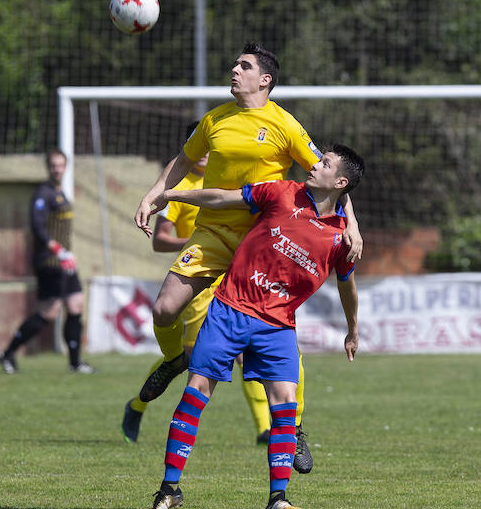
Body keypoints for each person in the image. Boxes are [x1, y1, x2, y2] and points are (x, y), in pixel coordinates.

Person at [130, 42, 363, 468]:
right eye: (235, 64)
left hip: (263, 241)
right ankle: (173, 359)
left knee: (278, 331)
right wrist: (153, 195)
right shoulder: (215, 119)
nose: (233, 70)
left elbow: (333, 181)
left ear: (265, 80)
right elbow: (183, 160)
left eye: (244, 66)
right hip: (213, 232)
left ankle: (293, 428)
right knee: (164, 310)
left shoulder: (285, 126)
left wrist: (354, 226)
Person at [140, 143, 363, 509]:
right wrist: (171, 193)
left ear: (340, 181)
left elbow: (347, 285)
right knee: (196, 393)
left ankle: (278, 499)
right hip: (229, 309)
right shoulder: (282, 191)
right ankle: (168, 490)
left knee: (285, 408)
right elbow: (223, 197)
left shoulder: (342, 238)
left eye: (324, 163)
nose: (314, 164)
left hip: (278, 326)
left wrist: (353, 330)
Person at [121, 141, 275, 448]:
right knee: (189, 358)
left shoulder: (232, 183)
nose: (206, 152)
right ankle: (137, 404)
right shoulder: (184, 189)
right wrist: (204, 240)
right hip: (200, 277)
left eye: (210, 147)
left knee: (245, 353)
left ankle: (264, 429)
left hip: (234, 278)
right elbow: (160, 240)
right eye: (199, 147)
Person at [0, 149, 94, 374]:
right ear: (47, 167)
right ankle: (8, 353)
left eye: (60, 165)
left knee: (76, 304)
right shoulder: (43, 194)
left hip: (65, 261)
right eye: (53, 165)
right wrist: (58, 250)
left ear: (66, 167)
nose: (57, 169)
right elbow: (38, 227)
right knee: (49, 312)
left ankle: (75, 363)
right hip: (49, 261)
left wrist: (67, 253)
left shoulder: (60, 193)